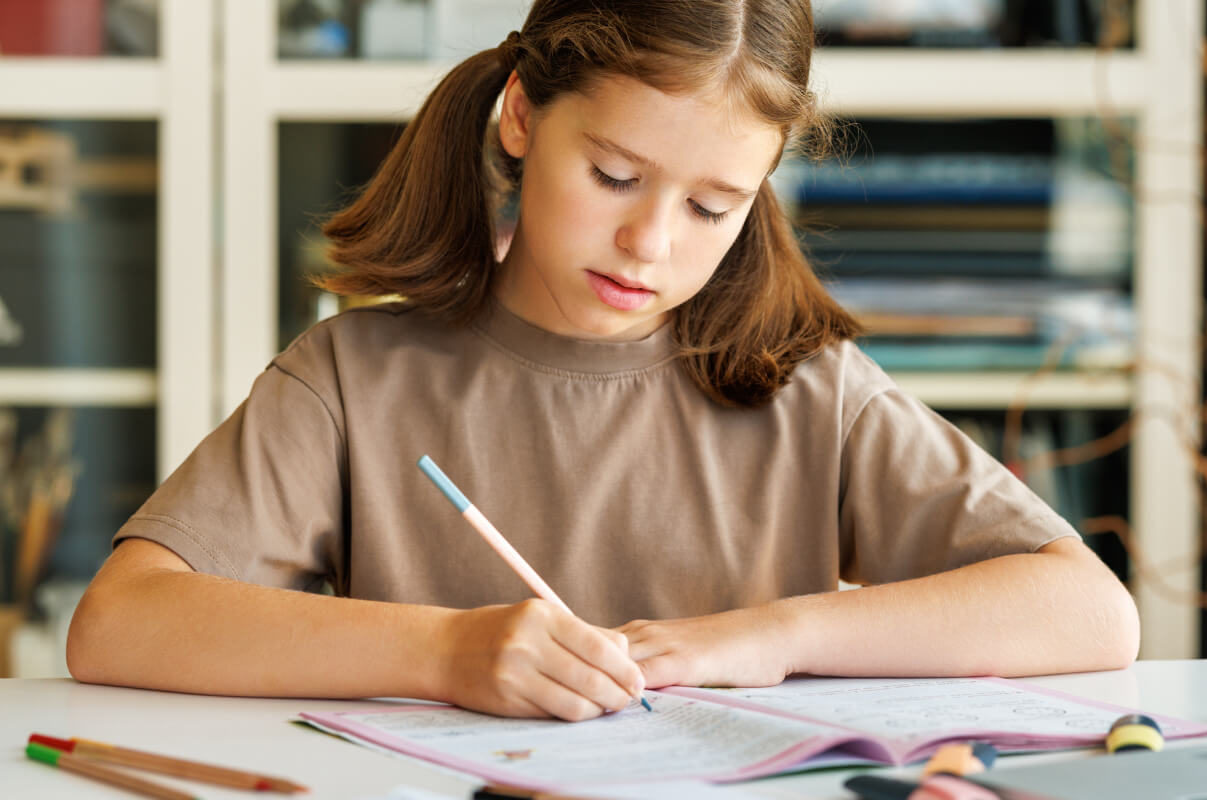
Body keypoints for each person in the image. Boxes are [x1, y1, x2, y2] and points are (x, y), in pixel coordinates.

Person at [66, 0, 1139, 723]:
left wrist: (776, 635)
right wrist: (447, 652)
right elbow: (120, 619)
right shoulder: (357, 378)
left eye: (713, 204)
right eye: (616, 174)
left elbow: (1091, 611)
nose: (651, 243)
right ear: (524, 116)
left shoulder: (807, 389)